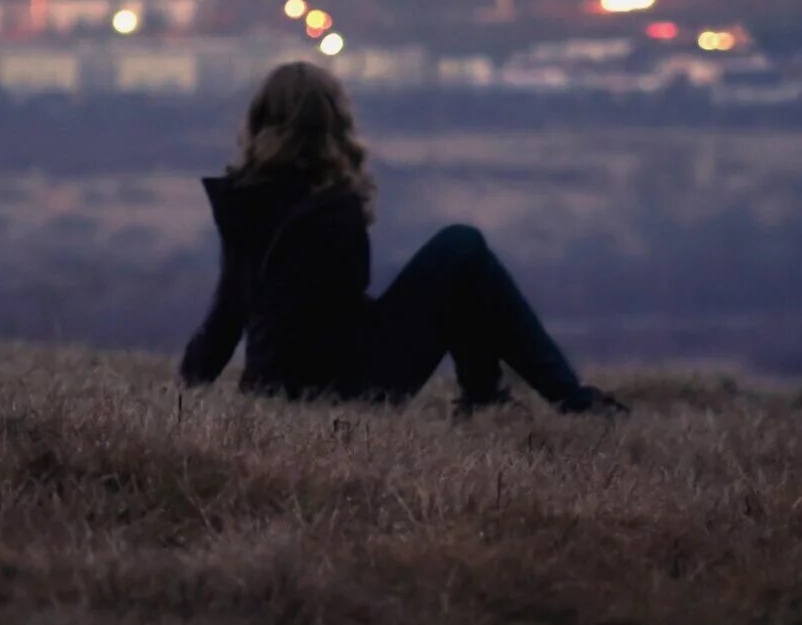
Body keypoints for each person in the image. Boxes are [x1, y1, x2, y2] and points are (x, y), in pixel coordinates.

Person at [179, 61, 626, 415]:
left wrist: (186, 390)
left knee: (458, 270)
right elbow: (336, 315)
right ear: (335, 123)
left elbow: (228, 311)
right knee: (462, 249)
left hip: (273, 386)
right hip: (344, 390)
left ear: (261, 122)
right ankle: (561, 400)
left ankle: (489, 400)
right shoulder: (332, 207)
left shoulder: (243, 202)